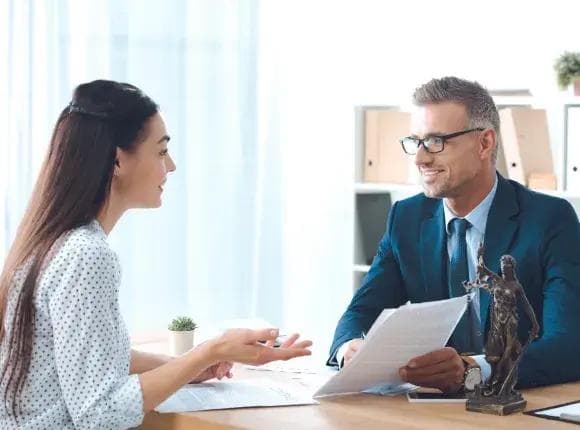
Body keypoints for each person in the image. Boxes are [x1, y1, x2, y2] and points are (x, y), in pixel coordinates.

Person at [0, 80, 312, 429]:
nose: (172, 166)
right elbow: (99, 416)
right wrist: (213, 350)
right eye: (162, 151)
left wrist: (188, 365)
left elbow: (86, 358)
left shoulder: (52, 240)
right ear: (118, 161)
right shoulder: (87, 254)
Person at [328, 76, 580, 393]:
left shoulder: (550, 220)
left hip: (520, 407)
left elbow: (569, 346)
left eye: (437, 142)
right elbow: (360, 313)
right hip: (431, 411)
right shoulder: (406, 218)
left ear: (484, 143)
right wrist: (350, 348)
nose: (420, 158)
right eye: (415, 142)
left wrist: (473, 370)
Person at [464, 248, 539, 398]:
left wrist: (534, 323)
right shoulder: (497, 280)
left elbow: (526, 305)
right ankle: (494, 381)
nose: (504, 271)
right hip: (496, 321)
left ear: (512, 268)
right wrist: (479, 256)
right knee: (493, 353)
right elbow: (483, 269)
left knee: (509, 349)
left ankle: (499, 376)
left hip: (510, 321)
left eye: (507, 268)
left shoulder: (516, 286)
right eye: (502, 268)